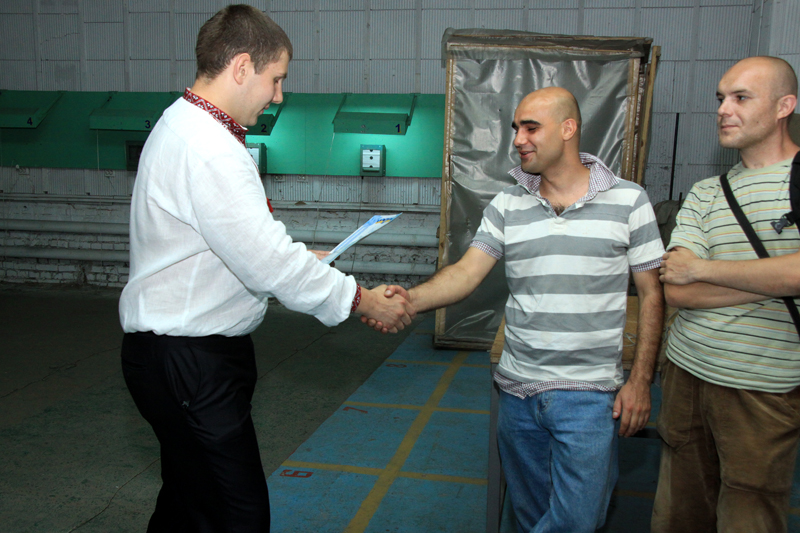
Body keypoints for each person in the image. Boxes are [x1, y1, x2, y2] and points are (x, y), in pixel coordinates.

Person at [117, 5, 414, 532]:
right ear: (241, 67)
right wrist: (362, 299)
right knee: (238, 516)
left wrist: (299, 262)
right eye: (276, 79)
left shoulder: (186, 124)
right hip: (191, 361)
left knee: (189, 503)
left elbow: (231, 245)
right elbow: (266, 260)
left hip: (176, 356)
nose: (278, 95)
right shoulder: (208, 146)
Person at [375, 87, 665, 532]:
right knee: (530, 516)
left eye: (531, 128)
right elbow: (466, 273)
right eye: (516, 128)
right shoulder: (507, 204)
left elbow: (652, 294)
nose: (517, 139)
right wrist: (408, 300)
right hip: (517, 395)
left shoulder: (629, 201)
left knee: (577, 520)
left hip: (588, 397)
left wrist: (641, 381)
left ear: (568, 129)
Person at [653, 56, 800, 533]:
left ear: (784, 106)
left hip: (763, 388)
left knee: (749, 514)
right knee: (679, 510)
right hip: (686, 371)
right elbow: (678, 289)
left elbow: (693, 272)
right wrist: (772, 282)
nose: (722, 109)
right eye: (720, 98)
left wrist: (704, 268)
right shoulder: (705, 192)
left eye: (741, 97)